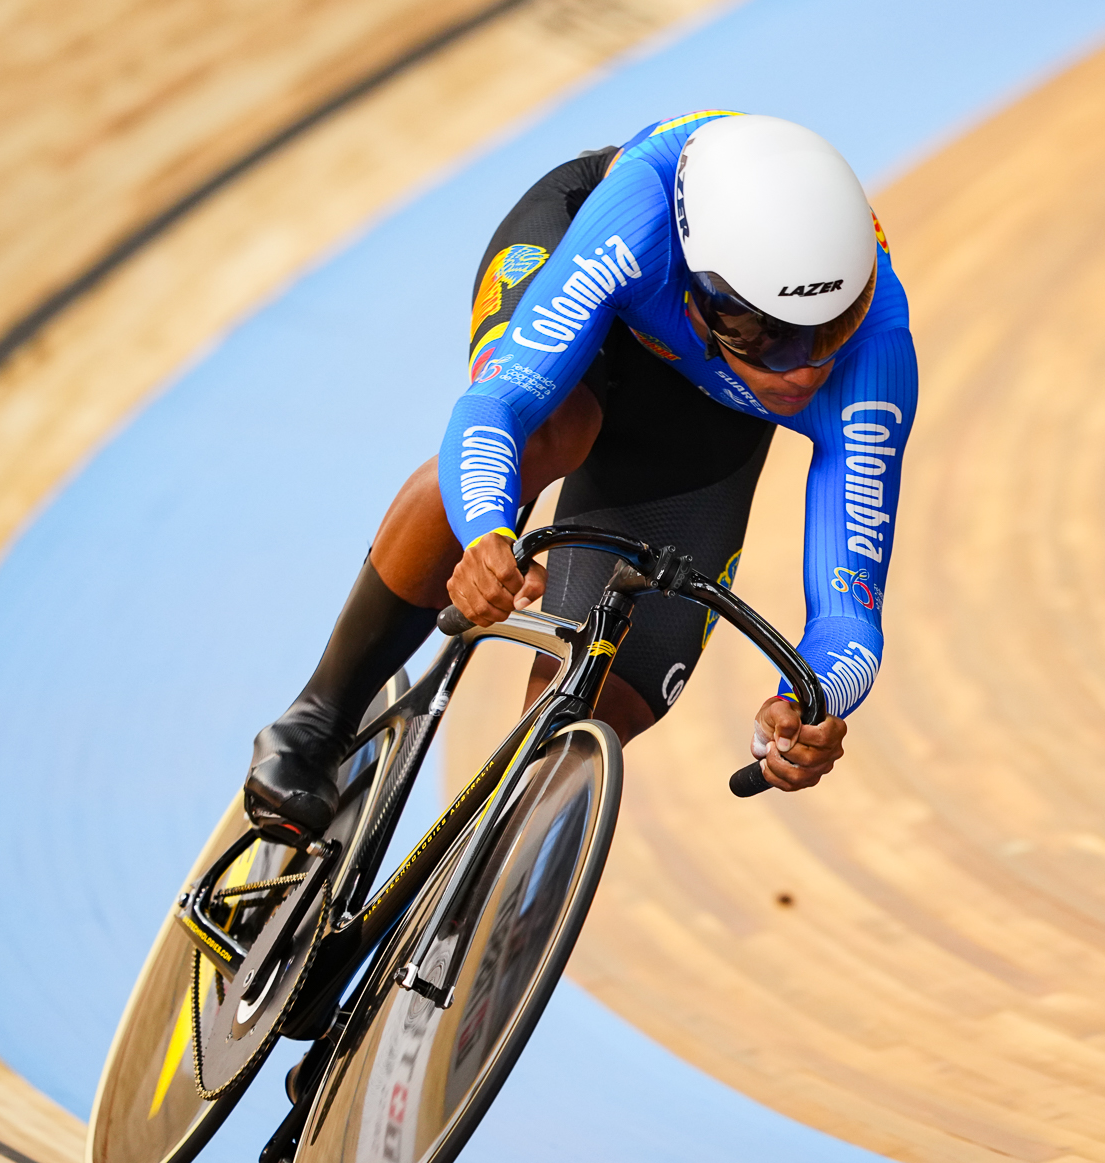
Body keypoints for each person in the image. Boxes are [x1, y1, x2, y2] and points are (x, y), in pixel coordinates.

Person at [243, 111, 917, 843]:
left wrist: (812, 699)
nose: (809, 368)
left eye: (834, 327)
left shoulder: (875, 355)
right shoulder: (635, 224)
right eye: (776, 337)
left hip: (704, 397)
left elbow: (851, 615)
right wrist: (486, 531)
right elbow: (497, 406)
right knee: (555, 431)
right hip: (573, 255)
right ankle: (319, 717)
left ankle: (478, 902)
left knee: (604, 703)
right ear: (703, 292)